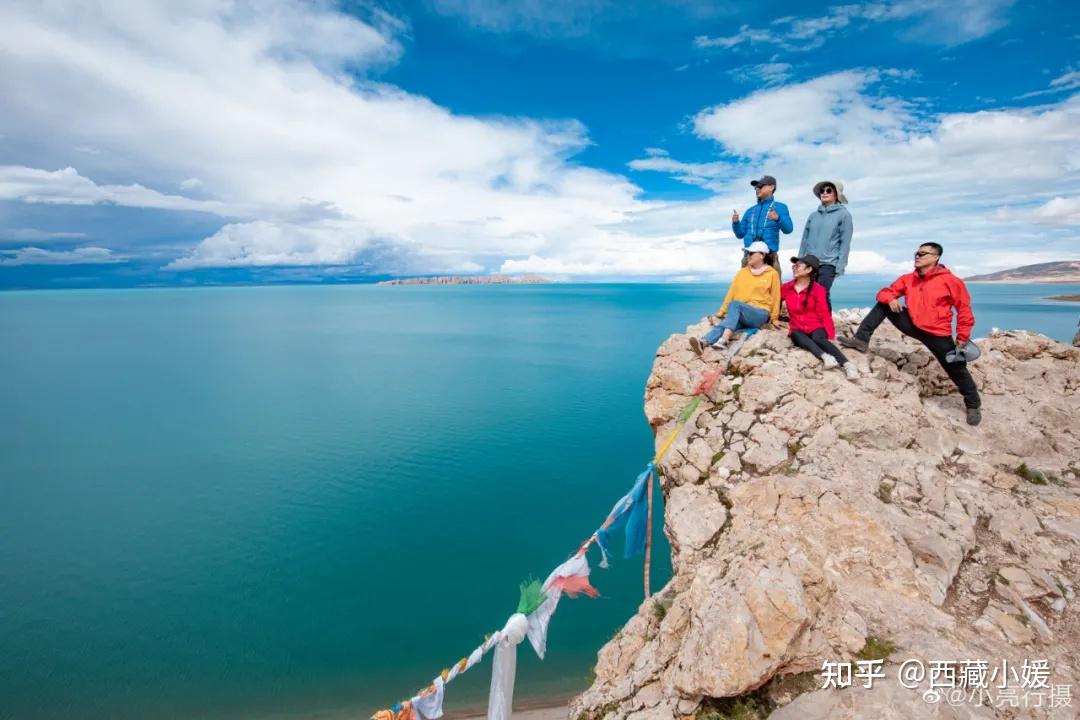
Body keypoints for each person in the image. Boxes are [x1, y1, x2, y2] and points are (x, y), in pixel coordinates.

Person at [838, 242, 982, 425]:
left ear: (936, 257)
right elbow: (884, 293)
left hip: (937, 333)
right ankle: (861, 339)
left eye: (923, 254)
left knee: (957, 369)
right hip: (912, 325)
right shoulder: (908, 279)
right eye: (917, 253)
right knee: (883, 304)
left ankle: (973, 404)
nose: (917, 256)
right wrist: (890, 298)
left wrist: (962, 336)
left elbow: (964, 310)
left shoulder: (951, 281)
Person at [690, 241, 780, 354]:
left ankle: (724, 340)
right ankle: (703, 342)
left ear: (762, 255)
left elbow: (776, 297)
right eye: (747, 253)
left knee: (735, 305)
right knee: (727, 323)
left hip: (760, 314)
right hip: (742, 312)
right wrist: (721, 312)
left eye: (751, 253)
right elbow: (731, 293)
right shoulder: (742, 273)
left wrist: (775, 318)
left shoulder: (772, 274)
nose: (748, 256)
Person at [782, 254, 859, 380]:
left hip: (815, 325)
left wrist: (830, 335)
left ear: (809, 269)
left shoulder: (818, 289)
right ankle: (825, 357)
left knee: (818, 338)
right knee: (796, 334)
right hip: (798, 327)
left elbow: (824, 313)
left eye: (798, 265)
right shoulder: (787, 288)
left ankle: (848, 365)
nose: (794, 268)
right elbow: (773, 300)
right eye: (793, 265)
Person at [798, 180, 852, 310]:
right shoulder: (813, 215)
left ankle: (825, 326)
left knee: (821, 293)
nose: (824, 193)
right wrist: (800, 260)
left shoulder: (844, 215)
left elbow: (845, 242)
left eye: (828, 190)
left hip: (829, 262)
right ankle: (810, 324)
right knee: (808, 294)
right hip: (810, 262)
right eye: (822, 191)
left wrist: (840, 265)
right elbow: (804, 239)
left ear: (836, 195)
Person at [732, 175, 793, 274]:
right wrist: (735, 223)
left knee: (772, 288)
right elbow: (740, 234)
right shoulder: (750, 211)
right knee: (746, 288)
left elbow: (788, 229)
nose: (757, 189)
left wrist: (778, 218)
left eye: (760, 186)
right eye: (756, 187)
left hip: (769, 256)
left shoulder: (780, 207)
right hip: (749, 256)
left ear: (771, 187)